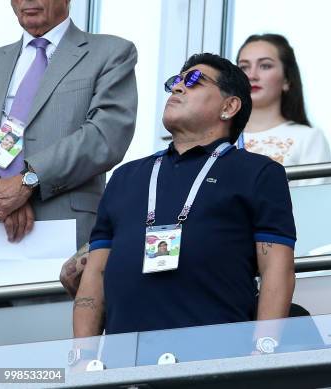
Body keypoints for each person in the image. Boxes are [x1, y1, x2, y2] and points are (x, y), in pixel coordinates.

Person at [73, 53, 296, 341]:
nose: (178, 87)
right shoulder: (125, 177)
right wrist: (82, 357)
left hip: (216, 357)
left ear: (229, 106)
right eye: (176, 81)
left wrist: (264, 350)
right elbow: (95, 275)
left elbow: (277, 269)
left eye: (193, 81)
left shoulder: (259, 172)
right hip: (125, 363)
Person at [0, 0, 138, 246]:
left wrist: (27, 181)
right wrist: (2, 192)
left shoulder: (112, 52)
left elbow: (106, 135)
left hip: (65, 228)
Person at [236, 34, 331, 186]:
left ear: (287, 79)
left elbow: (315, 203)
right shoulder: (219, 138)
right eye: (244, 67)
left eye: (265, 66)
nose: (252, 75)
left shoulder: (308, 138)